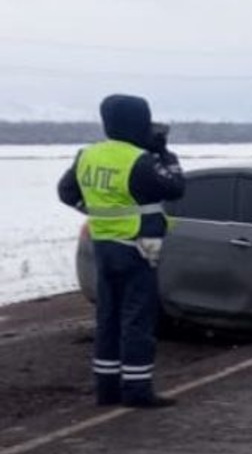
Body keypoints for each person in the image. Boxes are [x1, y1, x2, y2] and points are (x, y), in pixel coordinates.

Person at [58, 95, 186, 407]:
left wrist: (93, 210)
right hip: (137, 248)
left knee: (109, 319)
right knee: (137, 321)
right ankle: (137, 390)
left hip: (104, 246)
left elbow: (66, 191)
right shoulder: (138, 159)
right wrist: (163, 151)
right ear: (138, 121)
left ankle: (107, 389)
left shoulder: (87, 155)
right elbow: (175, 187)